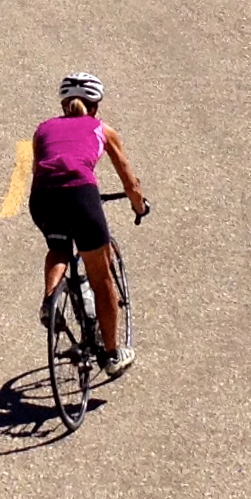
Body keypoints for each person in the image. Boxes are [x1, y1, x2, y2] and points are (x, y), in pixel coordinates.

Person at [29, 71, 146, 376]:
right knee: (101, 277)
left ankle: (50, 300)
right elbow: (128, 178)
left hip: (42, 198)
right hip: (80, 196)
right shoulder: (101, 128)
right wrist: (139, 205)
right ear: (95, 106)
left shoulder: (43, 130)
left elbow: (38, 170)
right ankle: (111, 354)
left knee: (58, 248)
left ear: (64, 103)